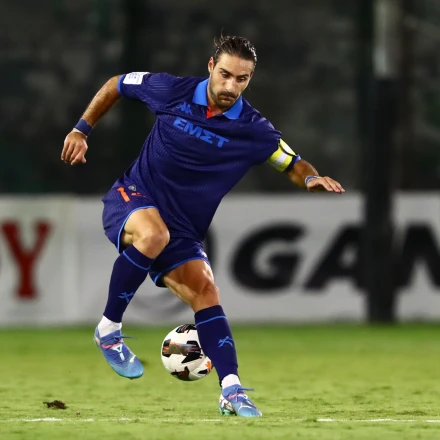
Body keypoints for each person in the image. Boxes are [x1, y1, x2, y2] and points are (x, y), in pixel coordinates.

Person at [61, 35, 345, 418]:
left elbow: (292, 163)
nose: (231, 85)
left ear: (250, 79)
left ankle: (231, 390)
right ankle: (109, 330)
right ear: (211, 66)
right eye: (225, 74)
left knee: (207, 291)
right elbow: (117, 84)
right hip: (132, 197)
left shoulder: (254, 129)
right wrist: (81, 129)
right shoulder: (171, 90)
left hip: (181, 230)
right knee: (153, 233)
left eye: (241, 79)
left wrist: (310, 178)